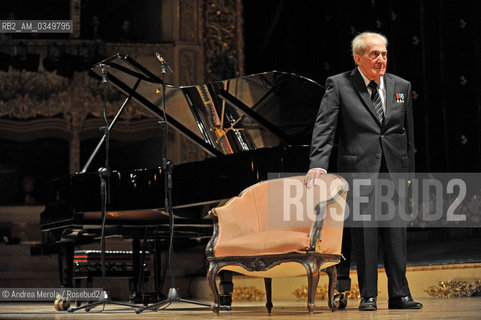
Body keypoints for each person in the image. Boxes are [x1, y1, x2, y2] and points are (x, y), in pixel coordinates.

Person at [305, 32, 422, 311]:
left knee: (396, 235)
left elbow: (407, 137)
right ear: (358, 58)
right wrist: (318, 163)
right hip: (359, 171)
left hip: (393, 172)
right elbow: (325, 128)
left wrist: (409, 175)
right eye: (374, 54)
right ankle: (368, 295)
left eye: (383, 54)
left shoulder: (400, 86)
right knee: (365, 234)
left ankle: (400, 295)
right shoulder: (340, 85)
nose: (381, 59)